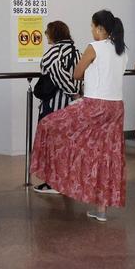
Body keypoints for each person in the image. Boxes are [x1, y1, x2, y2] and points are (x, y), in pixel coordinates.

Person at [30, 10, 128, 223]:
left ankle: (60, 177)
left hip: (94, 104)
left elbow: (76, 73)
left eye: (92, 27)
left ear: (100, 28)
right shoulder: (121, 50)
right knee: (106, 154)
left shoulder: (94, 47)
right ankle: (100, 210)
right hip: (116, 107)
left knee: (49, 124)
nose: (91, 31)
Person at [32, 21, 81, 194]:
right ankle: (66, 180)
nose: (45, 36)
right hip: (72, 106)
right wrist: (77, 94)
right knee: (67, 143)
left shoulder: (54, 51)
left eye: (47, 32)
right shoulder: (76, 51)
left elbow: (58, 73)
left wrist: (73, 91)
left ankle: (54, 183)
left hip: (54, 105)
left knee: (52, 143)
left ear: (53, 33)